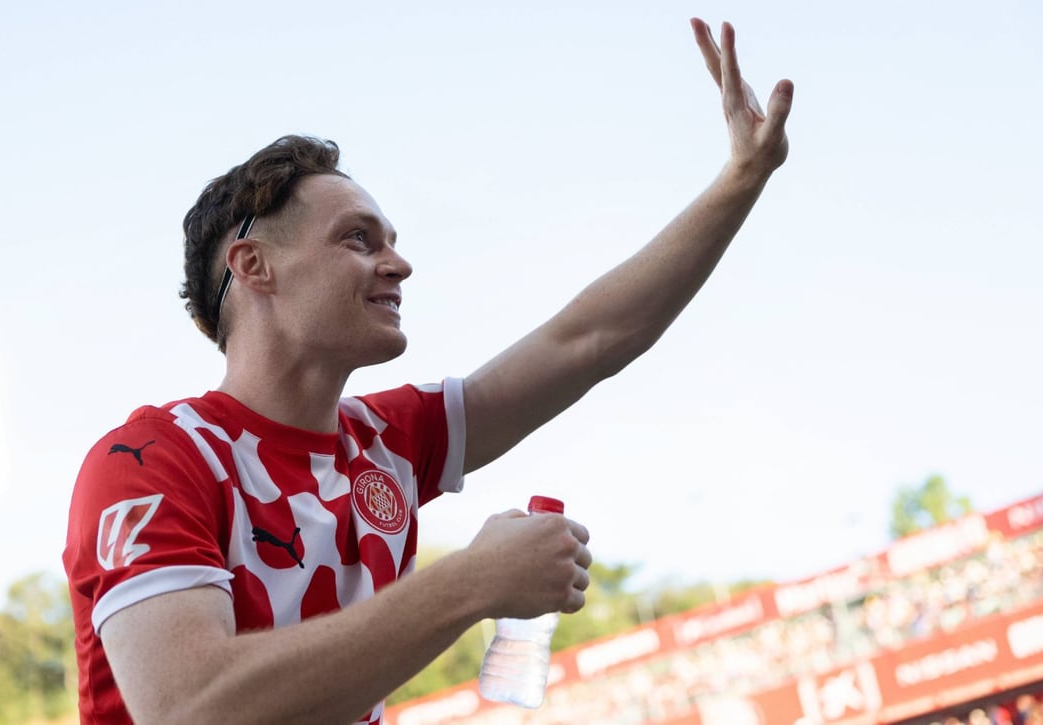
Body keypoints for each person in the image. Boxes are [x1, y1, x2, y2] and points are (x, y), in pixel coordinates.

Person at [62, 17, 793, 725]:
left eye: (392, 241)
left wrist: (742, 177)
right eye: (358, 239)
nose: (400, 264)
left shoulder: (388, 439)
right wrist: (472, 581)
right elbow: (190, 708)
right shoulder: (150, 460)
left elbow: (590, 339)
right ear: (254, 266)